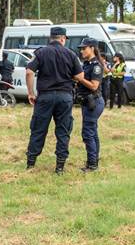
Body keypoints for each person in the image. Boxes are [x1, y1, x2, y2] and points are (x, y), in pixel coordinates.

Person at [25, 26, 84, 174]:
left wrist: (31, 93)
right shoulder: (71, 54)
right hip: (65, 97)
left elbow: (29, 72)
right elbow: (80, 77)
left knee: (38, 129)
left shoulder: (40, 52)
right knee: (63, 131)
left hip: (45, 96)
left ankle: (31, 164)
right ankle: (60, 167)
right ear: (63, 39)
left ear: (50, 38)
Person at [77, 39, 105, 172]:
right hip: (87, 102)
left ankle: (92, 164)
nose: (82, 51)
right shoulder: (87, 64)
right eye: (81, 49)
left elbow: (94, 86)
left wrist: (80, 79)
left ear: (92, 48)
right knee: (92, 132)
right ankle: (94, 161)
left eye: (84, 48)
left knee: (88, 133)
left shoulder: (96, 65)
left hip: (93, 102)